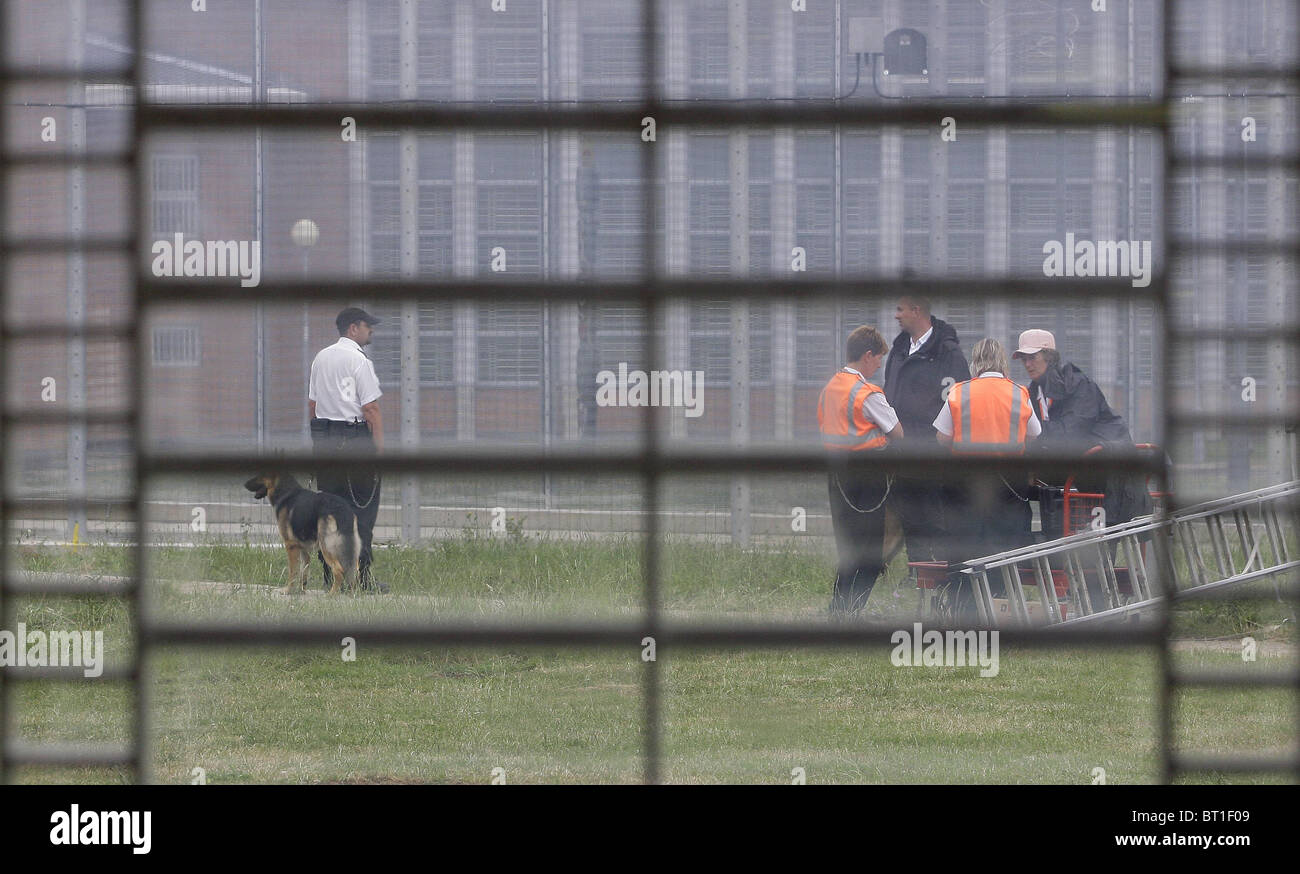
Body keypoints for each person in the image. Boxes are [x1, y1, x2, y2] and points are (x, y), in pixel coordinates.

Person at [1013, 328, 1150, 534]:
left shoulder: (1078, 385)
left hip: (1107, 470)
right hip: (1074, 470)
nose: (1027, 364)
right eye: (1023, 359)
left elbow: (1069, 434)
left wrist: (1030, 432)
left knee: (1100, 546)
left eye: (1032, 357)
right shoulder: (1033, 392)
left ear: (1049, 357)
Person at [818, 326, 905, 615]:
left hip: (837, 479)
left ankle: (838, 610)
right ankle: (850, 612)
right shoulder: (867, 393)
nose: (879, 364)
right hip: (867, 480)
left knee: (848, 550)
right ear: (867, 355)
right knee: (870, 552)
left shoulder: (831, 387)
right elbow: (897, 433)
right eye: (879, 358)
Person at [933, 338, 1040, 565]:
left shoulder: (959, 392)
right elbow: (1034, 433)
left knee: (964, 542)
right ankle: (1000, 593)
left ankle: (962, 592)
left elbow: (942, 437)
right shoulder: (1019, 393)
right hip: (1008, 483)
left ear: (976, 362)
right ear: (1002, 362)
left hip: (966, 480)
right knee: (1003, 542)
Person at [881, 294, 971, 563]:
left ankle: (941, 573)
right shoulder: (898, 351)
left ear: (917, 310)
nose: (896, 315)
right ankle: (917, 571)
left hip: (933, 457)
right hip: (902, 454)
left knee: (935, 518)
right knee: (909, 517)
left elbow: (958, 403)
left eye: (900, 309)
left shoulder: (948, 354)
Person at [308, 307, 389, 594]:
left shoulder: (321, 358)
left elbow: (313, 407)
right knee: (362, 513)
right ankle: (361, 580)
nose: (372, 331)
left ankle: (332, 578)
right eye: (368, 326)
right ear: (353, 328)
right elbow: (371, 408)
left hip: (327, 443)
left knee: (330, 515)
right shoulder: (359, 360)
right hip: (355, 442)